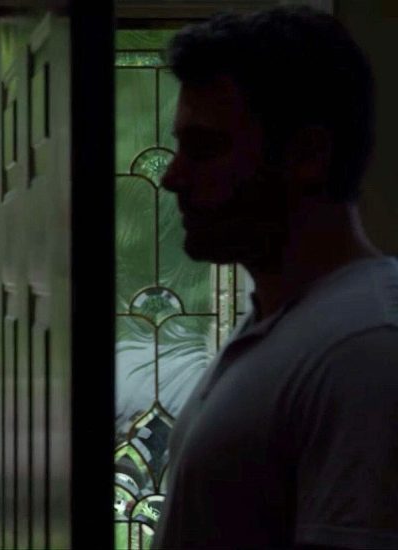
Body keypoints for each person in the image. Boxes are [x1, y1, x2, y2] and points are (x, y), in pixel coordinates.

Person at [153, 7, 398, 548]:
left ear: (307, 154)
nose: (173, 177)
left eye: (206, 148)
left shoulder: (363, 350)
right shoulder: (282, 323)